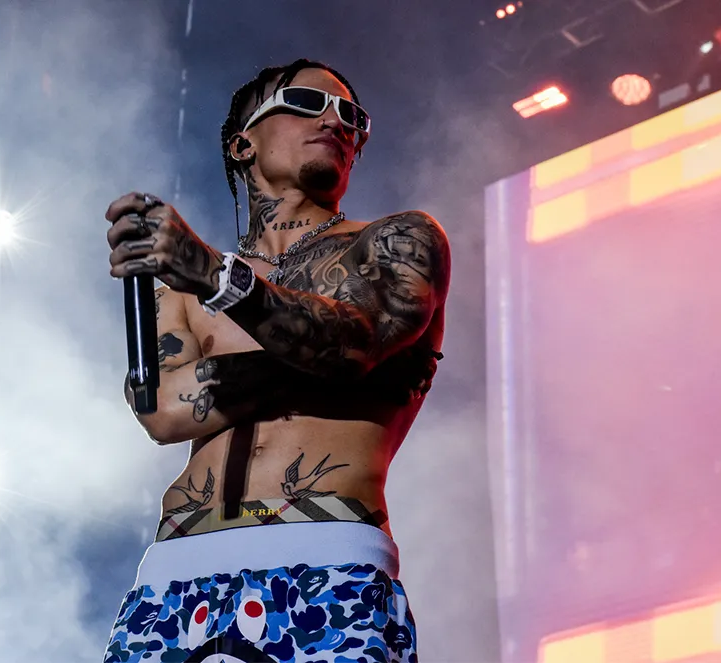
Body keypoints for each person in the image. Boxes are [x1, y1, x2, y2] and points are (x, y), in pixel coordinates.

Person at [102, 58, 450, 663]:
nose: (336, 121)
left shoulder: (397, 240)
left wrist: (221, 280)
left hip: (326, 559)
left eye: (352, 116)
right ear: (243, 144)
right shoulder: (182, 287)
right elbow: (162, 412)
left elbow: (360, 341)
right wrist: (323, 362)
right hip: (174, 572)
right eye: (309, 103)